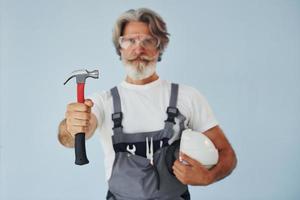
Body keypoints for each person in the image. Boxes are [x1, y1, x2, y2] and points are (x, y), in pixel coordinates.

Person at [58, 8, 237, 200]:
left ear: (159, 47)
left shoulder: (188, 97)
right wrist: (72, 126)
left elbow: (227, 154)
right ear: (120, 47)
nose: (138, 48)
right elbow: (67, 138)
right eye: (130, 40)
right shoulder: (102, 101)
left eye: (148, 40)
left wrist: (208, 177)